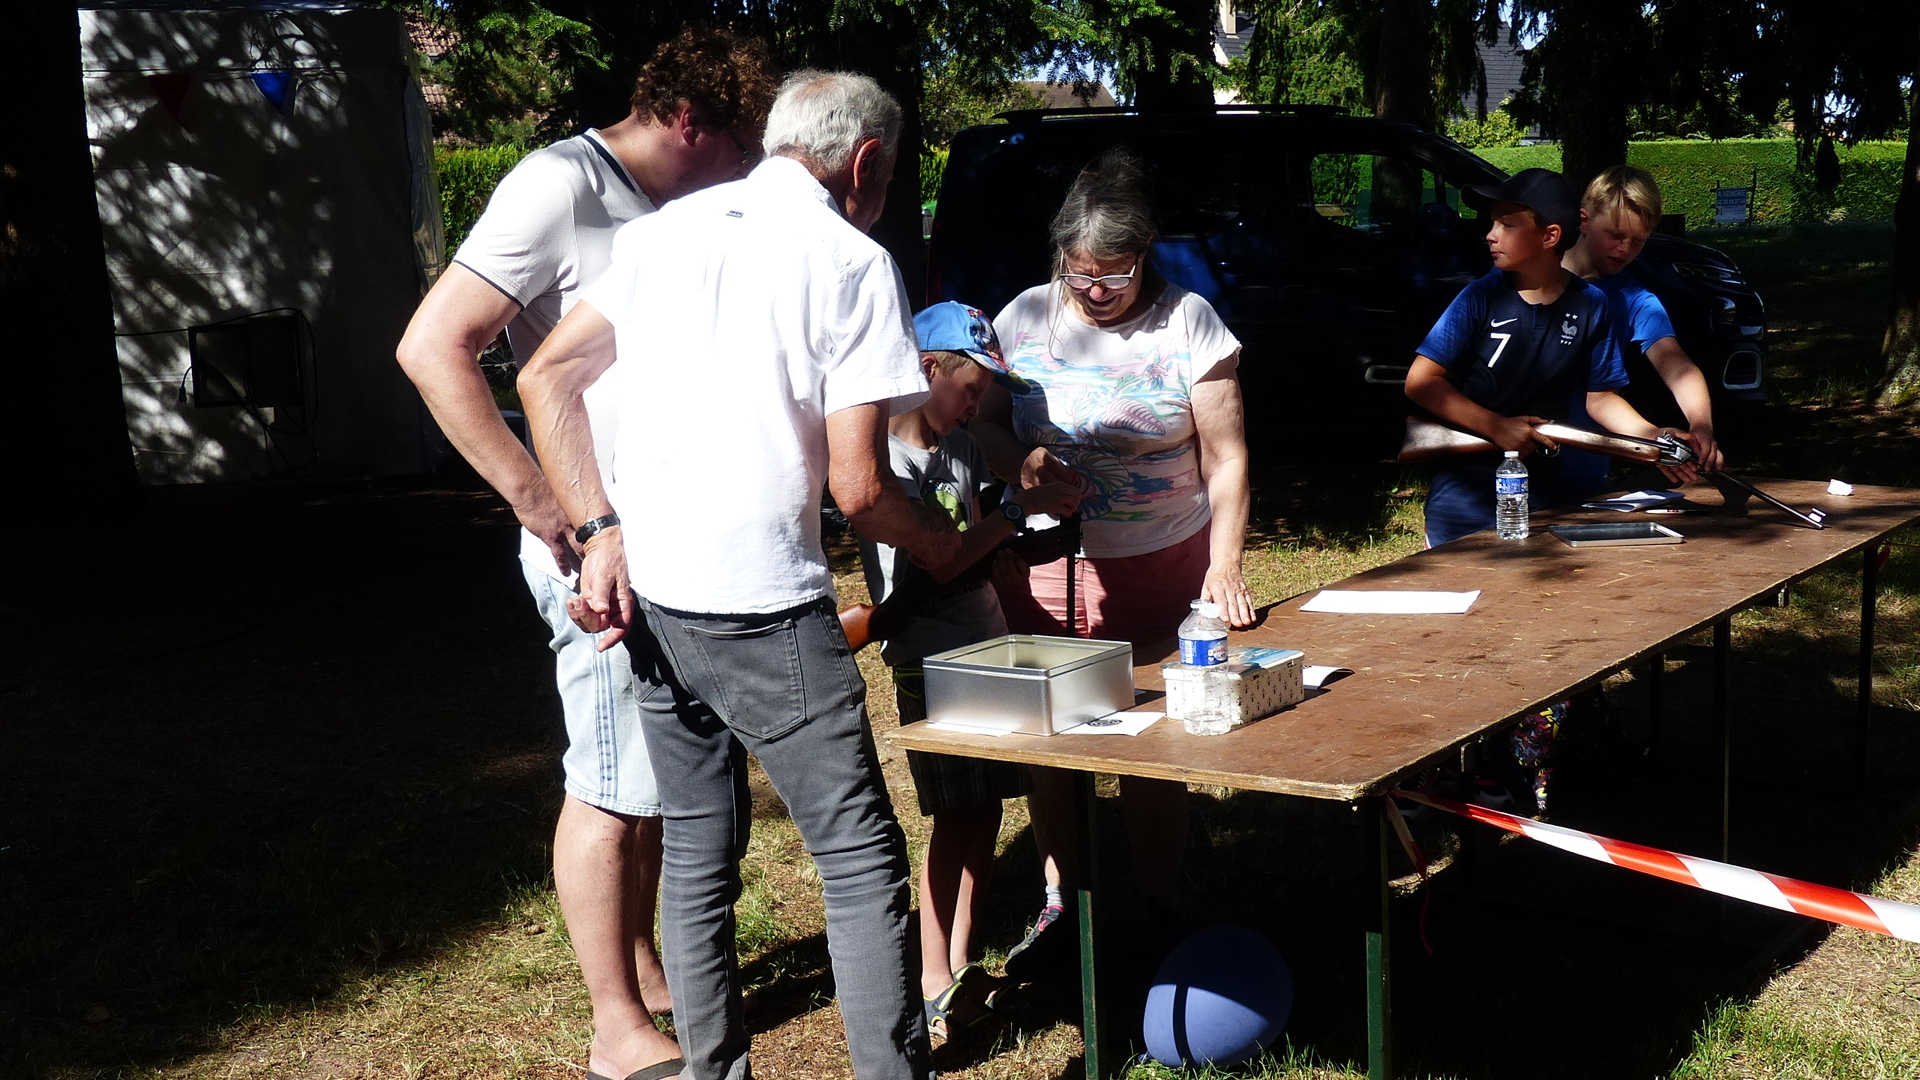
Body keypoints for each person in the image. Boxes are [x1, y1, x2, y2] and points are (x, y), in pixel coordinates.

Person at [517, 71, 964, 1080]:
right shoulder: (848, 258)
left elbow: (545, 376)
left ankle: (712, 1070)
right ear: (867, 163)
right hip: (763, 606)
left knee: (698, 853)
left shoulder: (659, 233)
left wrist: (597, 529)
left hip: (656, 598)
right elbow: (863, 488)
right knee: (858, 865)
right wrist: (943, 547)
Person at [393, 28, 777, 1080]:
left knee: (656, 767)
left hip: (668, 543)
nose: (753, 170)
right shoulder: (558, 184)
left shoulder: (679, 206)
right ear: (691, 120)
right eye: (744, 144)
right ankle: (617, 1029)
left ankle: (646, 972)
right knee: (609, 780)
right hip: (594, 543)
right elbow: (434, 347)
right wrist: (542, 504)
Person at [967, 148, 1255, 974]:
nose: (1094, 290)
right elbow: (981, 425)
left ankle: (1157, 899)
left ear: (1147, 253)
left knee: (1152, 737)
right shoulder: (1021, 318)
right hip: (1044, 565)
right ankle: (1065, 898)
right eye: (1080, 271)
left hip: (1163, 559)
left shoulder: (1189, 323)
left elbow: (1228, 457)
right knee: (1051, 730)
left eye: (1114, 273)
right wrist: (1016, 466)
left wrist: (1223, 566)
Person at [856, 301, 1081, 1037]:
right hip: (928, 661)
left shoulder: (964, 453)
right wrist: (1014, 514)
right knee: (951, 817)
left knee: (985, 808)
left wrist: (1030, 534)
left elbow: (978, 542)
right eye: (971, 388)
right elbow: (944, 555)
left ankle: (958, 961)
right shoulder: (885, 465)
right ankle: (930, 974)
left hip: (983, 642)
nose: (977, 405)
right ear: (926, 369)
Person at [1404, 167, 1697, 549]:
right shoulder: (1479, 297)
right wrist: (1495, 426)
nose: (1490, 235)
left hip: (1551, 507)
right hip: (1463, 507)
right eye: (1493, 223)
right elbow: (1420, 381)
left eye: (1506, 224)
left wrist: (1650, 437)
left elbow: (1602, 397)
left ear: (1550, 236)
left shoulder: (1593, 305)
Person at [1559, 165, 1727, 497]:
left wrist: (1700, 425)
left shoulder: (1636, 299)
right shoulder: (1529, 281)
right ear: (1584, 220)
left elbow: (1676, 364)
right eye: (1615, 235)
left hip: (1583, 477)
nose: (1624, 249)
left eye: (1638, 240)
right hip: (1504, 471)